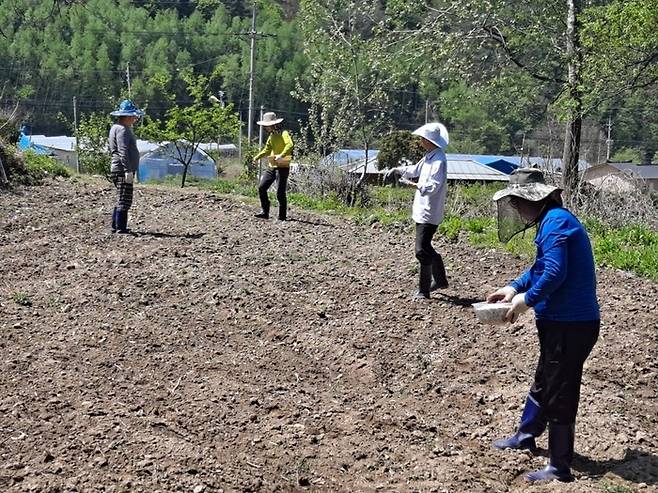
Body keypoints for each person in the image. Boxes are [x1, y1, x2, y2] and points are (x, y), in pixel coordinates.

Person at [487, 168, 600, 483]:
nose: (516, 209)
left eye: (517, 201)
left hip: (571, 325)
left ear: (531, 199)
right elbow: (540, 267)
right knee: (545, 379)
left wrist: (526, 301)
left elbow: (554, 273)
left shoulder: (556, 223)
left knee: (560, 391)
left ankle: (559, 466)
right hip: (559, 324)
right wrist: (513, 288)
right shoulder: (553, 221)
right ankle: (526, 434)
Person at [385, 122, 449, 300]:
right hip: (422, 210)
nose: (421, 141)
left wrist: (412, 184)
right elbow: (414, 169)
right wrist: (397, 169)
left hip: (430, 211)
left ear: (430, 141)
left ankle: (424, 289)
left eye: (423, 139)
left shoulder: (439, 161)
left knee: (421, 250)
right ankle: (440, 280)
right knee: (426, 247)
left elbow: (433, 187)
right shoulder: (429, 157)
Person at [108, 99, 144, 234]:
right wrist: (128, 170)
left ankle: (115, 225)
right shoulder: (123, 130)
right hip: (122, 169)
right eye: (133, 116)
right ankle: (120, 227)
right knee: (124, 199)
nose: (135, 119)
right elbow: (123, 151)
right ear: (127, 116)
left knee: (121, 197)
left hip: (119, 168)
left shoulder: (115, 128)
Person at [252, 112, 294, 221]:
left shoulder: (284, 133)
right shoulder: (271, 136)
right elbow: (267, 150)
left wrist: (282, 155)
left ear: (274, 125)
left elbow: (290, 144)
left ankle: (282, 216)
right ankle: (265, 212)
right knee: (262, 188)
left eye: (267, 125)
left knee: (280, 193)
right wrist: (256, 157)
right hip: (272, 166)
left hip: (283, 167)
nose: (265, 128)